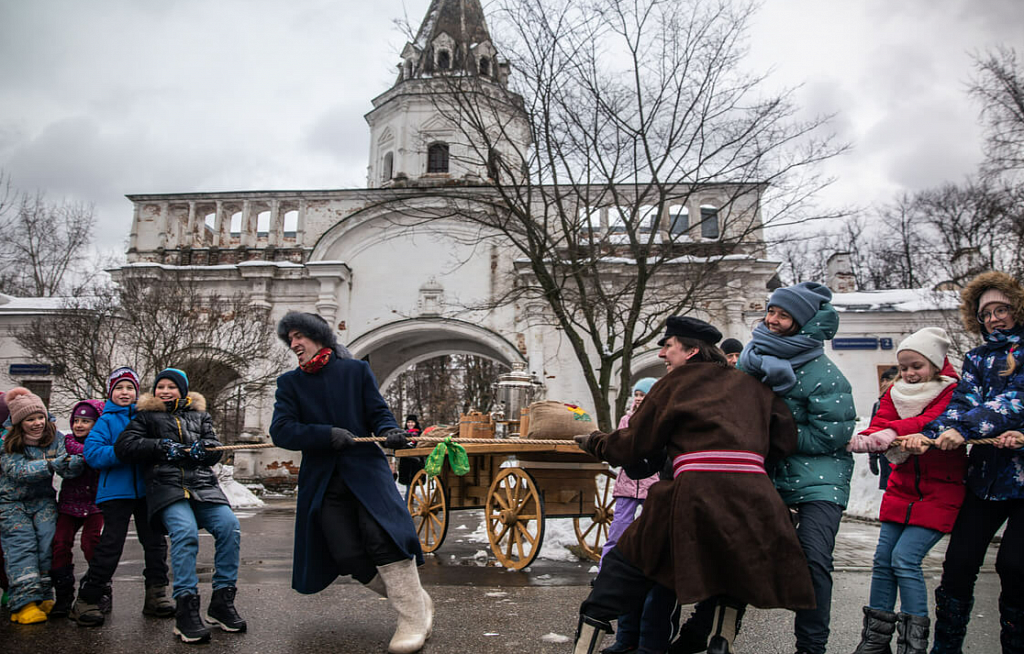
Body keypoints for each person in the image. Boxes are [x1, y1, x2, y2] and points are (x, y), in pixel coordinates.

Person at [572, 316, 814, 654]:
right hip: (755, 501)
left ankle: (585, 646)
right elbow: (784, 441)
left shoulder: (674, 384)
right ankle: (719, 643)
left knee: (623, 568)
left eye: (668, 347)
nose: (662, 355)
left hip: (693, 496)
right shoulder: (752, 386)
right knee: (731, 576)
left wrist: (596, 442)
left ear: (691, 351)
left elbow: (632, 445)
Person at [269, 311, 432, 654]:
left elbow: (378, 412)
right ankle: (417, 601)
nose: (294, 344)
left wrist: (389, 430)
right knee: (345, 552)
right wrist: (325, 435)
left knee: (383, 539)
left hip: (366, 472)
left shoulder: (356, 371)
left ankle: (412, 620)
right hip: (323, 480)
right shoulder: (289, 384)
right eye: (290, 339)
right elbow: (281, 430)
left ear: (318, 336)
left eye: (300, 336)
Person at [737, 281, 857, 654]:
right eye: (771, 311)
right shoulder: (750, 360)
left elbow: (829, 437)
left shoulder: (826, 375)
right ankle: (715, 632)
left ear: (801, 322)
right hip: (766, 472)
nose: (771, 320)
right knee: (736, 549)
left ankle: (811, 645)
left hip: (820, 477)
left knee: (813, 557)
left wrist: (777, 432)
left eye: (782, 315)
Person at [918, 271, 1024, 653]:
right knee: (959, 561)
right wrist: (930, 434)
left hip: (1023, 478)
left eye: (1002, 309)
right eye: (987, 313)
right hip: (985, 478)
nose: (995, 318)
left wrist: (965, 429)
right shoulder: (978, 358)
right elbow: (963, 402)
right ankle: (946, 648)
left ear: (1018, 308)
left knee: (1014, 565)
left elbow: (1013, 402)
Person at [845, 327, 966, 654]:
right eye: (904, 367)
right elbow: (880, 420)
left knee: (905, 559)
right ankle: (875, 640)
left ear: (936, 364)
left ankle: (913, 643)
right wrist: (869, 435)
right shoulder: (895, 392)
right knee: (883, 560)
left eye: (918, 366)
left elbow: (932, 421)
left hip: (940, 491)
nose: (910, 374)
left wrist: (889, 433)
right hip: (901, 489)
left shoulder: (952, 392)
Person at [115, 368, 244, 644]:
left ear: (182, 391)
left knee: (230, 528)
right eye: (160, 386)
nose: (164, 391)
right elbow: (125, 446)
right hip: (167, 488)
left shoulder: (200, 416)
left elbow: (214, 447)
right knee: (185, 533)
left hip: (204, 488)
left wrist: (206, 449)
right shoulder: (145, 416)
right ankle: (186, 611)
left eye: (171, 387)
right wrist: (161, 447)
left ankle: (222, 602)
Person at [72, 367, 173, 626]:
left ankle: (156, 594)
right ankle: (88, 598)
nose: (125, 392)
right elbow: (93, 454)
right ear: (110, 392)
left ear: (137, 392)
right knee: (110, 545)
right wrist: (125, 452)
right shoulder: (105, 420)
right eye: (119, 388)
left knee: (155, 542)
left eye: (130, 388)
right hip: (115, 491)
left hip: (147, 490)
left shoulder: (148, 416)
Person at [599, 377, 676, 654]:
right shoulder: (627, 419)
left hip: (653, 488)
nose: (640, 399)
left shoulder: (663, 419)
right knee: (620, 536)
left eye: (646, 394)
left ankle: (648, 641)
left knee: (651, 561)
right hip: (628, 485)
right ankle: (609, 571)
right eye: (638, 394)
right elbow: (621, 448)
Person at [0, 387, 83, 624]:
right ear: (19, 423)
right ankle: (24, 604)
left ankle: (45, 595)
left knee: (48, 545)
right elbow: (16, 470)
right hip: (12, 504)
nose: (37, 423)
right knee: (22, 548)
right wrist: (50, 465)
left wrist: (71, 463)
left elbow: (68, 464)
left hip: (44, 501)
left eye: (40, 417)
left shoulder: (55, 437)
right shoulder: (8, 442)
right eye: (30, 419)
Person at [49, 399, 106, 617]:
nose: (79, 425)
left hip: (95, 504)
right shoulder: (67, 443)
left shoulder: (101, 443)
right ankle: (63, 594)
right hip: (69, 504)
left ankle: (99, 587)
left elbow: (102, 460)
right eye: (77, 420)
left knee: (91, 543)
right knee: (60, 544)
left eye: (86, 421)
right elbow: (66, 465)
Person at [868, 366, 900, 491]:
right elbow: (872, 430)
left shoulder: (907, 401)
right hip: (885, 455)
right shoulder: (878, 405)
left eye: (889, 379)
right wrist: (872, 457)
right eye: (883, 380)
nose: (884, 383)